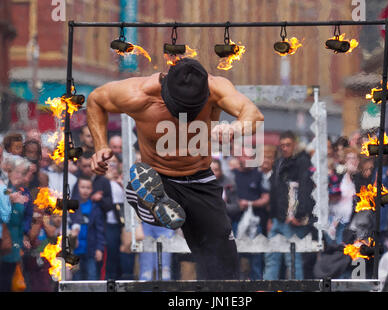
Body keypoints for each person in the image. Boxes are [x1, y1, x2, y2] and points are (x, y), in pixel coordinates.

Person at [87, 58, 264, 280]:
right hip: (160, 178)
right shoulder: (139, 94)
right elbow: (95, 101)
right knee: (152, 193)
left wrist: (236, 128)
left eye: (193, 109)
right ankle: (146, 198)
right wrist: (100, 146)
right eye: (183, 108)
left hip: (201, 181)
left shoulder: (215, 87)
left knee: (223, 263)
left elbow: (253, 113)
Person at [264, 131, 315, 280]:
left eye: (288, 145)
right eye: (282, 145)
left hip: (292, 219)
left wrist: (298, 215)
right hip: (277, 218)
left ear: (294, 145)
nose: (285, 148)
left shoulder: (303, 161)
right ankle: (269, 288)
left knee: (292, 259)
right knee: (271, 257)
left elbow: (305, 189)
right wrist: (271, 217)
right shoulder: (279, 162)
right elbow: (274, 190)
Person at [232, 147, 269, 280]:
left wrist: (249, 204)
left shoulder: (259, 175)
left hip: (255, 223)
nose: (247, 159)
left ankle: (257, 284)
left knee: (256, 257)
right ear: (239, 157)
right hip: (236, 221)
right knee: (236, 256)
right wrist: (236, 204)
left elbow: (266, 198)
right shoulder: (233, 175)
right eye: (244, 156)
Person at [0, 156, 30, 291]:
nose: (21, 177)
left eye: (24, 173)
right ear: (9, 171)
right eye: (18, 172)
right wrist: (10, 199)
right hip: (3, 243)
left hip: (14, 246)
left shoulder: (22, 190)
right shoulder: (5, 188)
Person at [70, 176, 105, 280]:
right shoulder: (72, 206)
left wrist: (99, 248)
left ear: (92, 189)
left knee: (92, 276)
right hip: (75, 250)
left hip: (91, 249)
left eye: (88, 188)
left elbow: (99, 230)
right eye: (82, 187)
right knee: (76, 278)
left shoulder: (95, 207)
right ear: (77, 188)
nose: (85, 190)